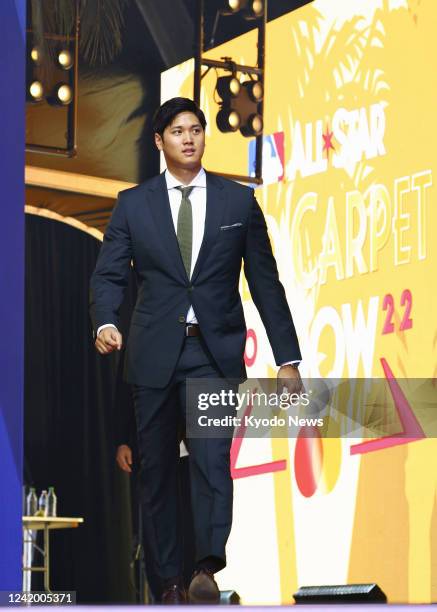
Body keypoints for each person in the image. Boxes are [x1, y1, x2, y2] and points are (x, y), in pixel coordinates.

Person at [90, 97, 302, 604]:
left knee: (211, 461)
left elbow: (267, 284)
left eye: (197, 129)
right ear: (159, 141)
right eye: (178, 131)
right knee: (158, 471)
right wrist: (105, 321)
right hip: (153, 353)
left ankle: (206, 567)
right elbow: (109, 274)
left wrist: (288, 358)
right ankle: (166, 581)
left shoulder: (237, 202)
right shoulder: (132, 204)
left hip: (213, 353)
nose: (189, 138)